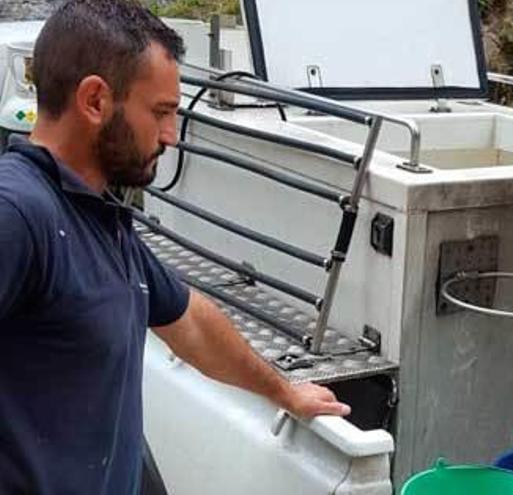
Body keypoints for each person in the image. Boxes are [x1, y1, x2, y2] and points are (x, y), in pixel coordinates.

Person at [0, 1, 351, 493]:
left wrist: (285, 392)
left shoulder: (97, 217)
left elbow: (190, 324)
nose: (170, 135)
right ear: (95, 100)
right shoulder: (19, 212)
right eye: (161, 112)